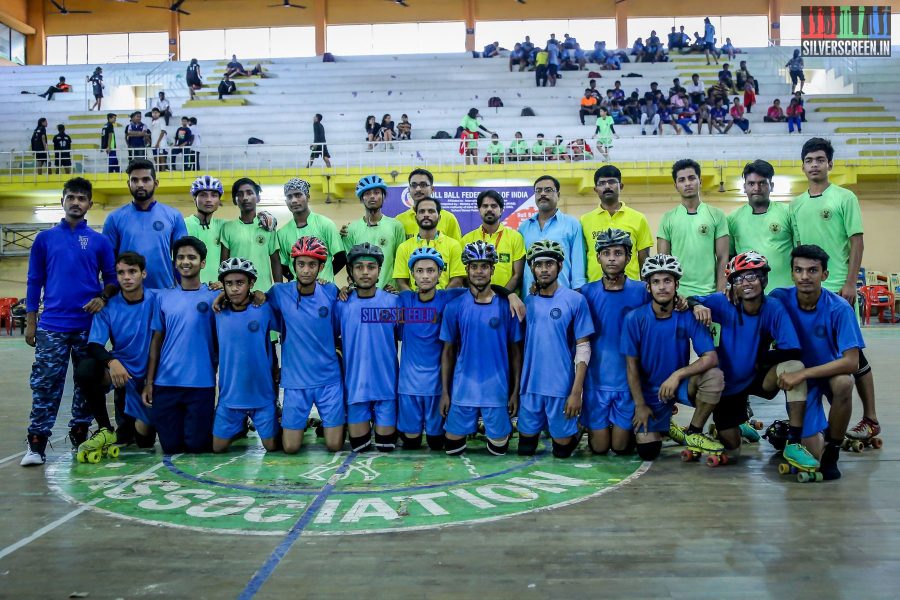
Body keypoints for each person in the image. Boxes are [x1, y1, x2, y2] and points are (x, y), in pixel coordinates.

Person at [20, 177, 117, 466]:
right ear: (63, 200)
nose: (76, 202)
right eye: (71, 197)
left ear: (89, 204)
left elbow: (112, 280)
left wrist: (102, 297)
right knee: (46, 384)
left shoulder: (99, 241)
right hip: (52, 326)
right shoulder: (44, 239)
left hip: (88, 327)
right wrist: (31, 321)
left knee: (87, 383)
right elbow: (34, 280)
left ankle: (80, 433)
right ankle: (36, 443)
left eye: (82, 198)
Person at [790, 137, 879, 445]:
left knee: (854, 355)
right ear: (802, 166)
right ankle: (821, 423)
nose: (814, 165)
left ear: (830, 164)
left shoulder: (844, 198)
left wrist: (851, 281)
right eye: (809, 160)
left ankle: (870, 419)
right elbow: (799, 250)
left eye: (819, 159)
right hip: (810, 291)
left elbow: (857, 241)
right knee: (817, 354)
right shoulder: (797, 205)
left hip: (840, 289)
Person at [689, 252, 815, 466]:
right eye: (739, 278)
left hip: (757, 378)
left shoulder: (773, 307)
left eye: (752, 277)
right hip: (727, 387)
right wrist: (696, 306)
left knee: (794, 367)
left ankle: (793, 443)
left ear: (763, 280)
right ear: (732, 284)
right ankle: (737, 425)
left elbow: (793, 350)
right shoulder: (720, 302)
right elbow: (689, 300)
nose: (746, 283)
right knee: (733, 452)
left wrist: (759, 359)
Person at [396, 247, 520, 450]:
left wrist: (510, 295)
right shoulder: (403, 300)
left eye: (431, 270)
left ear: (440, 274)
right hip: (415, 386)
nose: (425, 276)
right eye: (420, 271)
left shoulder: (448, 298)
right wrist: (346, 291)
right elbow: (375, 314)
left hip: (461, 387)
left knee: (441, 443)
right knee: (421, 443)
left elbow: (485, 288)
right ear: (412, 274)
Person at [769, 245, 865, 480]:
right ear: (791, 273)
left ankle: (833, 450)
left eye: (812, 270)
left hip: (826, 373)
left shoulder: (840, 308)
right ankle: (788, 433)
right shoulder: (779, 299)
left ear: (825, 275)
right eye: (798, 270)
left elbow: (852, 362)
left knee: (844, 383)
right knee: (812, 457)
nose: (804, 277)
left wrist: (803, 373)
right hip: (801, 383)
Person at [622, 254, 725, 462]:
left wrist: (678, 374)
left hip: (678, 386)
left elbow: (711, 357)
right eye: (656, 281)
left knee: (714, 377)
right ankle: (665, 424)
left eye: (667, 280)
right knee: (648, 452)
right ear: (648, 287)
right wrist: (640, 405)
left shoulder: (688, 315)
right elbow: (631, 368)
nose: (662, 287)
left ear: (676, 284)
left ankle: (694, 432)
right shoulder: (634, 318)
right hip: (649, 393)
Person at [440, 241, 523, 456]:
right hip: (462, 391)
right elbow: (448, 352)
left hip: (496, 392)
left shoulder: (508, 306)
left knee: (498, 451)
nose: (479, 272)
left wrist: (515, 393)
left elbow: (515, 353)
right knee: (452, 450)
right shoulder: (454, 306)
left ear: (492, 270)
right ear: (466, 269)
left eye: (484, 266)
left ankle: (491, 427)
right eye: (474, 266)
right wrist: (445, 393)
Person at [142, 236, 219, 454]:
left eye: (192, 257)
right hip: (166, 384)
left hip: (201, 385)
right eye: (181, 257)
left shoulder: (216, 296)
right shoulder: (163, 298)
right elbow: (156, 341)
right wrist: (149, 383)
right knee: (171, 448)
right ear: (175, 262)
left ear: (202, 263)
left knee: (197, 446)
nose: (186, 262)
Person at [267, 237, 345, 453]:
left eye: (312, 265)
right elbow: (253, 301)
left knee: (334, 445)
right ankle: (301, 425)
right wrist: (222, 297)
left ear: (321, 267)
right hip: (295, 382)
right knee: (290, 448)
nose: (306, 270)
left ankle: (332, 421)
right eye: (301, 264)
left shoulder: (330, 292)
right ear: (294, 266)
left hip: (328, 380)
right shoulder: (279, 293)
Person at [517, 241, 594, 458]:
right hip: (530, 387)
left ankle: (576, 430)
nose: (543, 269)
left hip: (560, 388)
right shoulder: (528, 302)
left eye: (549, 263)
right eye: (538, 264)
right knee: (525, 450)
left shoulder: (575, 300)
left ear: (560, 266)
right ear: (532, 268)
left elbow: (583, 347)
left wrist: (576, 392)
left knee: (561, 452)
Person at [79, 252, 159, 453]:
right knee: (86, 369)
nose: (127, 277)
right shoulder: (108, 307)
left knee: (145, 442)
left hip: (152, 374)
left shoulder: (158, 300)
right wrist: (111, 362)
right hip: (122, 373)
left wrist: (218, 288)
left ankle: (143, 423)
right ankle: (105, 428)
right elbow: (95, 344)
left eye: (132, 271)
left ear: (144, 274)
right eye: (121, 272)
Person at [580, 229, 649, 455]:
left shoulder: (642, 291)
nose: (612, 258)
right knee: (599, 448)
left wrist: (690, 303)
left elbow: (668, 303)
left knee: (619, 448)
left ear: (628, 258)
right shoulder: (586, 293)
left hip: (628, 384)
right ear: (598, 257)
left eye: (618, 253)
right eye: (606, 253)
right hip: (596, 382)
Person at [335, 243, 401, 452]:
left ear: (379, 271)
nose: (365, 272)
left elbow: (402, 335)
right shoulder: (341, 304)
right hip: (355, 388)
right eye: (359, 267)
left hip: (386, 388)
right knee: (360, 447)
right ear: (351, 272)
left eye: (371, 267)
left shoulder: (393, 302)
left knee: (385, 446)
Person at [212, 258, 279, 453]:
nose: (234, 289)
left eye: (240, 283)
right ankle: (238, 426)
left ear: (251, 284)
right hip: (230, 397)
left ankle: (278, 418)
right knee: (217, 448)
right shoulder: (218, 310)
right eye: (229, 284)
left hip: (262, 396)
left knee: (272, 447)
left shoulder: (263, 308)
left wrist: (262, 294)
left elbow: (288, 326)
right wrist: (218, 296)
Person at [103, 158, 188, 290]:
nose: (140, 184)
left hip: (164, 291)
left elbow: (182, 257)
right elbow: (108, 260)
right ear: (128, 183)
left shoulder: (174, 216)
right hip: (127, 295)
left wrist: (184, 288)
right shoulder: (114, 218)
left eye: (146, 179)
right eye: (134, 180)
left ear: (156, 183)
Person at [657, 159, 729, 297]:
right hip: (678, 296)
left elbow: (723, 258)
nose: (688, 183)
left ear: (700, 181)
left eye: (692, 178)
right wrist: (673, 296)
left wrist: (719, 295)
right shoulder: (667, 218)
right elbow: (664, 262)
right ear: (676, 185)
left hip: (709, 294)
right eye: (682, 180)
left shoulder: (717, 215)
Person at [728, 160, 797, 291]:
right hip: (749, 293)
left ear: (771, 185)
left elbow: (799, 252)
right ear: (744, 187)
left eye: (762, 183)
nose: (757, 188)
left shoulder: (788, 212)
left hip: (786, 291)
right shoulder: (732, 219)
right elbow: (729, 257)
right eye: (751, 183)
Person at [581, 166, 652, 282]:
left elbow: (644, 259)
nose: (607, 186)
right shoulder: (585, 220)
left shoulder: (638, 218)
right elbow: (582, 259)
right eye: (602, 183)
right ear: (596, 189)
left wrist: (646, 288)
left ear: (621, 186)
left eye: (612, 182)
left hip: (630, 288)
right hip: (595, 289)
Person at [518, 175, 587, 292]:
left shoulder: (572, 224)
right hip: (530, 297)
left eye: (548, 190)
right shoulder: (524, 227)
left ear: (558, 195)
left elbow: (578, 264)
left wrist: (577, 292)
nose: (543, 194)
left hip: (562, 295)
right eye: (538, 191)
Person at [339, 175, 406, 290]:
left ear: (383, 196)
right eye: (367, 193)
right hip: (361, 293)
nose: (372, 197)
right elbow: (349, 264)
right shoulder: (350, 230)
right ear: (361, 198)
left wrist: (396, 287)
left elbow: (401, 262)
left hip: (389, 293)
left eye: (376, 192)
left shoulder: (396, 226)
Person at [277, 178, 345, 283]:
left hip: (324, 292)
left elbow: (340, 257)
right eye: (289, 197)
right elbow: (283, 265)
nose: (294, 200)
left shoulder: (325, 224)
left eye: (298, 195)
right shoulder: (282, 233)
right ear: (286, 201)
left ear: (308, 197)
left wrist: (327, 277)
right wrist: (296, 280)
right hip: (296, 293)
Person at [221, 178, 281, 292]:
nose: (245, 198)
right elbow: (223, 263)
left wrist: (279, 290)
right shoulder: (227, 227)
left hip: (264, 291)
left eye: (250, 193)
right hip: (237, 293)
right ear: (235, 200)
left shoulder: (268, 227)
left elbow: (275, 261)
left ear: (258, 198)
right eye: (240, 194)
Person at [394, 196, 465, 291]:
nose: (426, 215)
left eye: (431, 211)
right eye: (422, 211)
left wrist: (440, 299)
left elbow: (457, 279)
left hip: (446, 304)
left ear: (439, 218)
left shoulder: (454, 245)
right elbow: (401, 281)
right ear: (416, 218)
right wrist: (415, 301)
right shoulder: (404, 247)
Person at [461, 190, 525, 290]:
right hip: (476, 300)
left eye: (494, 206)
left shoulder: (515, 237)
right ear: (479, 209)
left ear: (501, 210)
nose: (489, 209)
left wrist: (501, 297)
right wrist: (480, 296)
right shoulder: (467, 239)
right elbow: (464, 275)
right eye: (485, 206)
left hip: (506, 300)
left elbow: (517, 275)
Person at [395, 168, 462, 240]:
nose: (418, 189)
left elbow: (457, 248)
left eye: (423, 185)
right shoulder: (399, 220)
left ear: (432, 189)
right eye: (414, 185)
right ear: (409, 189)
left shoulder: (449, 218)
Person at [184, 175, 227, 286]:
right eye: (203, 195)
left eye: (214, 195)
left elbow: (245, 223)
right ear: (195, 198)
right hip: (189, 290)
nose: (208, 199)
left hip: (217, 291)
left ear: (219, 199)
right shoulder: (182, 224)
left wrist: (265, 216)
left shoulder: (225, 226)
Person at [148, 108, 168, 172]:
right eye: (153, 113)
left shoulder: (161, 120)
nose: (154, 114)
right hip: (154, 143)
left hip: (160, 143)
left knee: (161, 157)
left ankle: (163, 172)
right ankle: (157, 172)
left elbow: (162, 132)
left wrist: (158, 143)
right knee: (156, 158)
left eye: (156, 112)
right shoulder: (153, 122)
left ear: (159, 113)